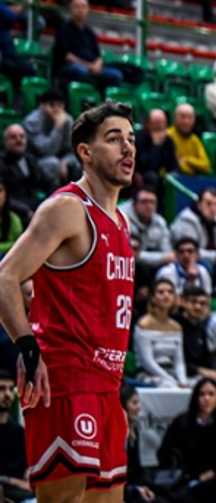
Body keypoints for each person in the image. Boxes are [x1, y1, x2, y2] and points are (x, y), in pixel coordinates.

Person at [0, 102, 137, 496]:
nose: (127, 148)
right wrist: (26, 345)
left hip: (106, 386)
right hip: (64, 381)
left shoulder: (121, 220)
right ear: (86, 152)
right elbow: (6, 277)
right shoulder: (67, 209)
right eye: (114, 140)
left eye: (131, 140)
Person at [157, 378, 216, 502]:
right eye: (202, 394)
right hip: (183, 480)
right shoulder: (182, 423)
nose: (206, 398)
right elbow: (165, 455)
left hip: (212, 480)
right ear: (195, 397)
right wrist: (195, 476)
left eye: (211, 394)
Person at [52, 0, 124, 89]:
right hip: (69, 67)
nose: (80, 10)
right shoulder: (63, 29)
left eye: (83, 7)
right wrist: (88, 66)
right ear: (71, 9)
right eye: (76, 6)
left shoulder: (89, 32)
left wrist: (97, 66)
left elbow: (99, 56)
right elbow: (67, 57)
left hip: (91, 68)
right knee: (81, 72)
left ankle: (105, 102)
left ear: (88, 10)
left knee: (115, 75)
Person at [134, 279, 189, 388]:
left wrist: (183, 381)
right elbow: (147, 361)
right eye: (161, 292)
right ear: (153, 298)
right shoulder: (144, 324)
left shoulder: (176, 327)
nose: (166, 295)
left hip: (170, 371)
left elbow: (179, 361)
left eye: (170, 292)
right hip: (148, 374)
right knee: (168, 385)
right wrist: (169, 379)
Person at [0, 124, 52, 216]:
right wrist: (25, 211)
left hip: (36, 207)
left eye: (22, 136)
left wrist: (54, 200)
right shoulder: (1, 163)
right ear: (5, 142)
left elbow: (49, 181)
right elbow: (3, 196)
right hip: (14, 212)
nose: (19, 140)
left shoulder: (30, 160)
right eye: (13, 137)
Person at [0, 369, 32, 502]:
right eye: (1, 389)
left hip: (20, 492)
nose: (7, 394)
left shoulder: (20, 433)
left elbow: (29, 478)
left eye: (10, 389)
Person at [177, 284, 216, 380]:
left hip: (203, 376)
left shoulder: (202, 327)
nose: (198, 307)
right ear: (183, 302)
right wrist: (198, 370)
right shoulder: (175, 326)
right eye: (193, 302)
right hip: (182, 376)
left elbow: (206, 359)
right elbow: (174, 361)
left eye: (202, 303)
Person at [133, 109, 177, 191]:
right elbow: (147, 166)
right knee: (151, 177)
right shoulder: (139, 139)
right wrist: (155, 146)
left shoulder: (168, 141)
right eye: (156, 123)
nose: (160, 127)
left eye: (162, 123)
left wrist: (172, 175)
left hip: (160, 178)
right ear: (148, 124)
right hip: (140, 177)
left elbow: (174, 165)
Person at [167, 103, 211, 177]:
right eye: (182, 117)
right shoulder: (167, 137)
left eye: (190, 118)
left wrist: (187, 160)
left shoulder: (194, 140)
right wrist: (193, 167)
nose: (186, 122)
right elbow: (172, 165)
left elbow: (206, 166)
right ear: (174, 118)